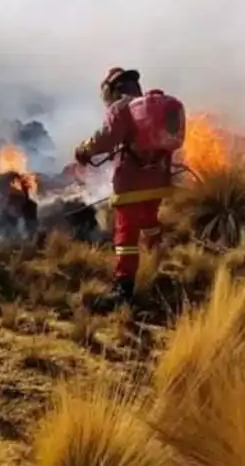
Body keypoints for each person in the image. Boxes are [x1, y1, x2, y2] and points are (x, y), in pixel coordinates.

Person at [74, 67, 181, 312]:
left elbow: (106, 138)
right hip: (159, 180)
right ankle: (156, 264)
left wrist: (84, 149)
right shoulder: (152, 108)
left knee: (126, 235)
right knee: (149, 220)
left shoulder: (122, 108)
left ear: (112, 89)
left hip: (132, 182)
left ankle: (124, 289)